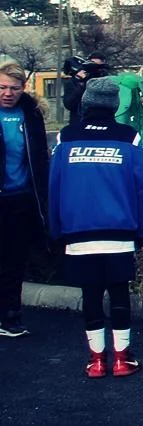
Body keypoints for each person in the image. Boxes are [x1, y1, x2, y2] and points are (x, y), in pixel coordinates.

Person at [49, 76, 143, 376]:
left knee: (91, 294)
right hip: (119, 233)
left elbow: (54, 186)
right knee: (119, 293)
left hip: (78, 233)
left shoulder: (66, 137)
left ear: (84, 103)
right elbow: (140, 189)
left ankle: (96, 360)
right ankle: (122, 359)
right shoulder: (128, 137)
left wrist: (56, 230)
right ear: (115, 104)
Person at [0, 60, 49, 338]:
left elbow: (40, 158)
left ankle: (10, 316)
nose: (8, 93)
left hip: (20, 198)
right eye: (2, 87)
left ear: (23, 88)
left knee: (14, 260)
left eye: (14, 88)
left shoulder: (30, 113)